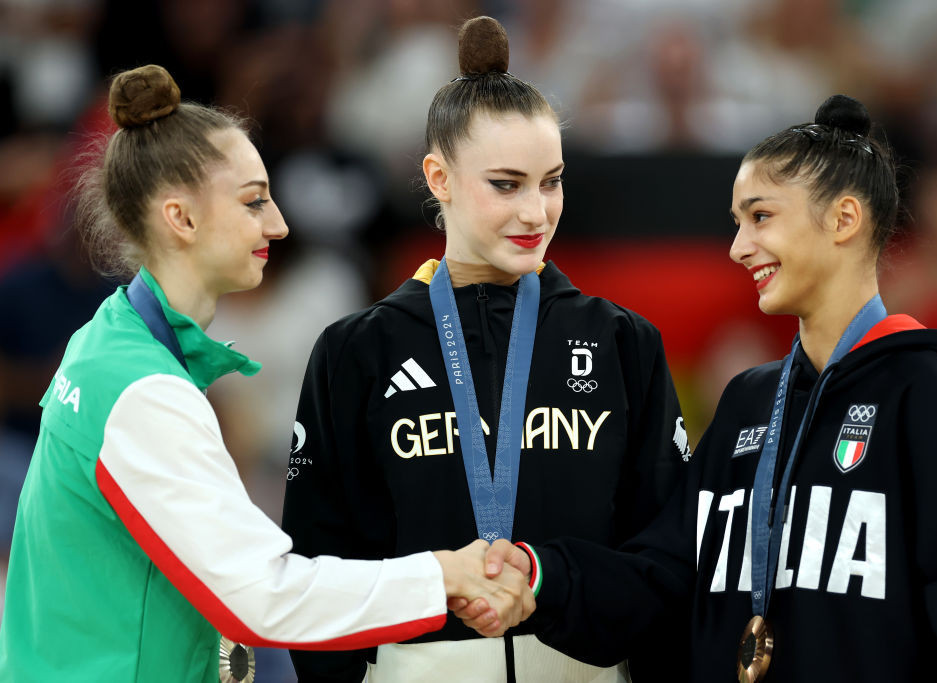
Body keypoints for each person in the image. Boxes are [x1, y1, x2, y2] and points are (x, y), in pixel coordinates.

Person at [0, 64, 533, 683]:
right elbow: (262, 595)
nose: (279, 224)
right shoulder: (142, 389)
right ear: (182, 218)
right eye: (254, 200)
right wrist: (444, 575)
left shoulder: (106, 339)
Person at [470, 95, 937, 681]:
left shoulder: (927, 389)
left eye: (760, 217)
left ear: (843, 219)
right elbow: (662, 576)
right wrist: (543, 576)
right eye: (737, 222)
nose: (737, 247)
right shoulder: (747, 403)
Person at [282, 16, 689, 683]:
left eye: (551, 181)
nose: (536, 213)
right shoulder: (358, 350)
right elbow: (320, 573)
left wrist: (549, 575)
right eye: (506, 184)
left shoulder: (623, 343)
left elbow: (667, 562)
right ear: (438, 178)